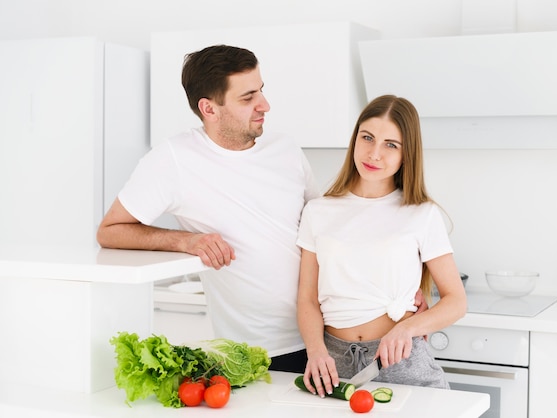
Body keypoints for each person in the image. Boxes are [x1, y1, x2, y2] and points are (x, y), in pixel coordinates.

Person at [97, 45, 428, 373]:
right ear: (209, 108)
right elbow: (110, 231)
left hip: (327, 343)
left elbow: (330, 231)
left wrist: (397, 292)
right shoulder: (173, 160)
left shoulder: (284, 149)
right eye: (247, 97)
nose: (264, 105)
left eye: (261, 90)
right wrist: (186, 241)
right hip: (255, 351)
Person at [296, 95, 467, 396]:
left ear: (406, 154)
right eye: (367, 138)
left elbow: (456, 301)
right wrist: (315, 351)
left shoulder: (421, 213)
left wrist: (407, 329)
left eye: (391, 144)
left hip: (401, 360)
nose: (374, 153)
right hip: (332, 366)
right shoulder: (318, 211)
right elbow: (307, 298)